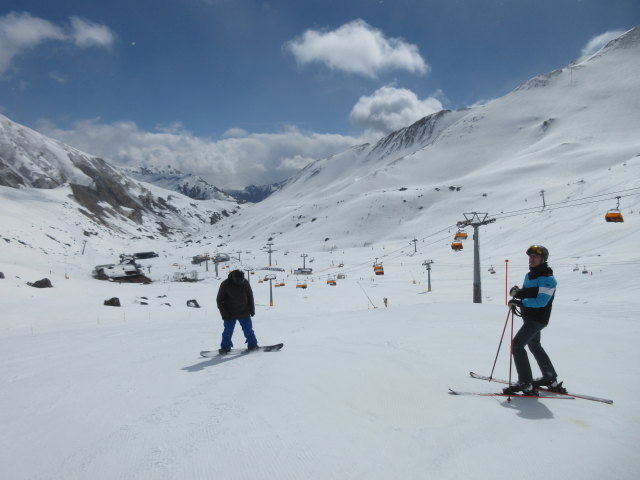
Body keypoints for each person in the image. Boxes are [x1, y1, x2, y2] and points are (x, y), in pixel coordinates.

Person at [503, 245, 560, 395]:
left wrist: (521, 302)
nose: (532, 259)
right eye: (530, 257)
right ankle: (550, 378)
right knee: (534, 345)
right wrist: (519, 293)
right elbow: (530, 293)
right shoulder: (529, 276)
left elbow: (541, 301)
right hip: (528, 317)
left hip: (538, 319)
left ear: (543, 259)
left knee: (517, 345)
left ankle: (525, 383)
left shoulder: (548, 279)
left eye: (535, 257)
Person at [216, 269, 258, 354]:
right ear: (234, 278)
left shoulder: (245, 282)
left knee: (249, 330)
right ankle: (225, 347)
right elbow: (219, 300)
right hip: (230, 313)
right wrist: (224, 314)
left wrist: (252, 309)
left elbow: (250, 296)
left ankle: (253, 345)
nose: (240, 282)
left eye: (241, 280)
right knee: (227, 332)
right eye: (238, 281)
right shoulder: (225, 284)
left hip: (244, 311)